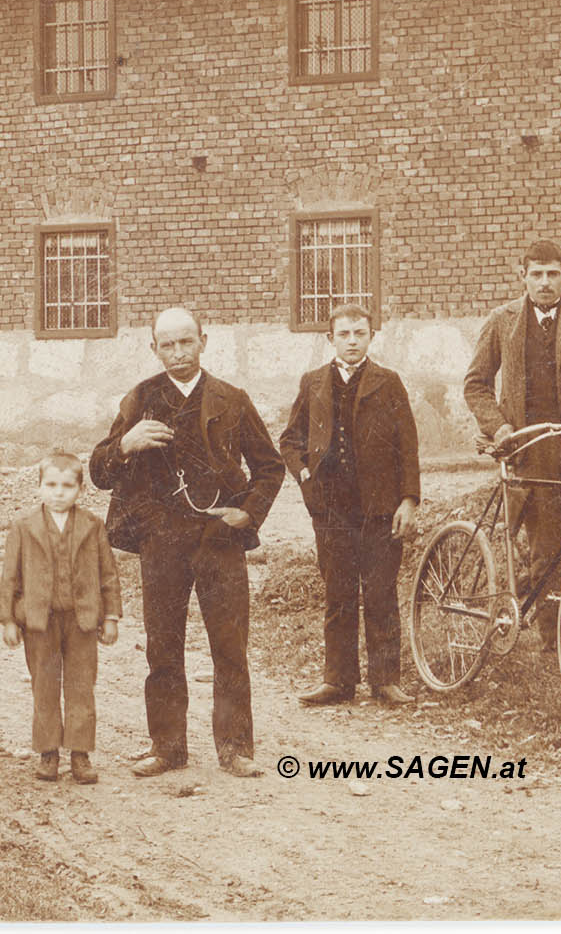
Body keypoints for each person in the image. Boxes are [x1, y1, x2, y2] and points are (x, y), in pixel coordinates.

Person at [89, 307, 283, 779]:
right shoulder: (139, 399)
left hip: (220, 538)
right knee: (163, 646)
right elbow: (97, 471)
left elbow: (270, 466)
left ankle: (235, 748)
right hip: (162, 540)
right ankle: (168, 747)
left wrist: (248, 512)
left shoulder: (231, 398)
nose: (178, 354)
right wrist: (125, 445)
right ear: (153, 348)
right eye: (167, 345)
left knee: (230, 645)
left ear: (204, 341)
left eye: (186, 342)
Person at [462, 239, 561, 652]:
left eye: (553, 274)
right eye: (537, 274)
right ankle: (559, 645)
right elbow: (476, 384)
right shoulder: (503, 321)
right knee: (545, 554)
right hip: (533, 454)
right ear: (523, 277)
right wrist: (499, 429)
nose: (545, 283)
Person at [278, 303, 421, 706]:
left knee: (380, 593)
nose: (352, 341)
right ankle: (338, 680)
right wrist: (305, 475)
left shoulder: (388, 383)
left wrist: (408, 500)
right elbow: (290, 440)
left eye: (360, 333)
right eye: (344, 334)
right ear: (330, 339)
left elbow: (408, 446)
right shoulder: (313, 383)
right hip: (331, 509)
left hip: (379, 508)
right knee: (338, 593)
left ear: (371, 336)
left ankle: (385, 680)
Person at [0, 452, 121, 785]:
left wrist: (110, 616)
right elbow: (10, 576)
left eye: (67, 485)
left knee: (82, 685)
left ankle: (80, 754)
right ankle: (48, 751)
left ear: (80, 489)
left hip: (81, 620)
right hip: (39, 621)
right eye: (50, 484)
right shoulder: (24, 526)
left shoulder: (93, 526)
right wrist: (8, 619)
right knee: (44, 685)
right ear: (39, 487)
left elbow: (108, 574)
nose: (59, 492)